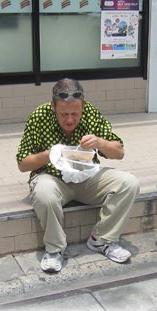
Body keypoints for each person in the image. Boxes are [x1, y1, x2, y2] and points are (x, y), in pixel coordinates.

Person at [16, 78, 140, 273]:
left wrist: (100, 143)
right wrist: (49, 154)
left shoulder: (91, 113)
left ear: (83, 105)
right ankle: (55, 250)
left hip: (87, 178)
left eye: (75, 113)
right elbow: (23, 164)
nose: (70, 120)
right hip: (53, 178)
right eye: (64, 114)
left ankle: (102, 240)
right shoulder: (39, 116)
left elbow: (119, 152)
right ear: (53, 106)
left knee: (129, 183)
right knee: (44, 192)